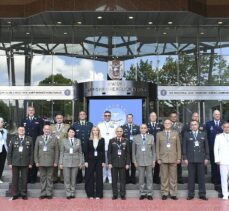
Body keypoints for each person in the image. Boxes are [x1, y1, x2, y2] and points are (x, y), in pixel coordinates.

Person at [183, 120, 209, 200]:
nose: (194, 126)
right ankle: (190, 194)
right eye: (192, 125)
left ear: (198, 125)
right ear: (190, 126)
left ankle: (202, 194)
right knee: (191, 178)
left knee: (201, 178)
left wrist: (207, 158)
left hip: (201, 159)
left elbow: (206, 147)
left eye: (195, 124)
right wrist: (185, 158)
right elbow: (184, 147)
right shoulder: (187, 134)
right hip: (190, 159)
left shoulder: (203, 134)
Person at [156, 119, 181, 200]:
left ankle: (173, 193)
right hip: (163, 159)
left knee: (173, 177)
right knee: (164, 177)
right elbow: (157, 147)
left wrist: (179, 158)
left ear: (171, 124)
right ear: (163, 124)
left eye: (168, 123)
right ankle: (164, 193)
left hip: (173, 158)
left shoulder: (175, 133)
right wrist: (158, 158)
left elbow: (178, 147)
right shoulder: (159, 134)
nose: (167, 124)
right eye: (165, 123)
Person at [7, 127, 33, 200]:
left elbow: (31, 152)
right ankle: (15, 194)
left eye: (23, 130)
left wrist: (31, 163)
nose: (21, 131)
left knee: (24, 179)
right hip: (15, 162)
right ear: (17, 131)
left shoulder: (29, 139)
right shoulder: (13, 139)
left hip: (25, 162)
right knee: (15, 179)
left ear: (25, 131)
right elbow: (9, 152)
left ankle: (23, 193)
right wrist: (9, 162)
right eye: (20, 130)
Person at [34, 125, 59, 199]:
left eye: (48, 129)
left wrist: (56, 161)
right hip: (41, 161)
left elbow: (57, 151)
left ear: (50, 130)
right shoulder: (39, 138)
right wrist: (36, 161)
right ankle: (43, 192)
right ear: (43, 130)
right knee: (42, 177)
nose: (47, 130)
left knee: (50, 178)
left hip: (51, 162)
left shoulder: (54, 138)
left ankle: (49, 193)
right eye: (45, 129)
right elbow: (36, 151)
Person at [21, 106, 44, 183]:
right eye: (29, 110)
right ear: (27, 111)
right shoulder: (24, 120)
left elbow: (41, 132)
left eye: (32, 110)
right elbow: (21, 131)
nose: (31, 111)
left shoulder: (39, 120)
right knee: (26, 160)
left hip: (35, 143)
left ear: (34, 111)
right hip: (25, 143)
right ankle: (26, 177)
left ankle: (33, 177)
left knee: (34, 161)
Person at [132, 124, 155, 200]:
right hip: (140, 161)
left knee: (149, 178)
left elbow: (153, 150)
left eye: (144, 128)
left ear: (147, 129)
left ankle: (149, 193)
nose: (143, 129)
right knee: (141, 178)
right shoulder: (135, 138)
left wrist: (154, 160)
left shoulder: (151, 137)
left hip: (149, 161)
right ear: (140, 129)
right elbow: (133, 151)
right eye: (142, 128)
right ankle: (142, 193)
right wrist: (134, 161)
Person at [59, 128, 84, 199]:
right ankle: (68, 193)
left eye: (73, 132)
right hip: (66, 162)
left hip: (75, 162)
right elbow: (61, 152)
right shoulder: (64, 141)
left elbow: (80, 152)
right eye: (70, 132)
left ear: (74, 133)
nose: (71, 133)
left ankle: (72, 192)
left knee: (73, 179)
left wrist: (81, 162)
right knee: (67, 179)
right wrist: (60, 163)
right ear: (68, 133)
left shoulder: (78, 141)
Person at [108, 127, 130, 200]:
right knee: (114, 180)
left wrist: (127, 163)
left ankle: (122, 194)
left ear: (122, 132)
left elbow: (128, 153)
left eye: (120, 131)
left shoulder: (126, 140)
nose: (119, 132)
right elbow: (109, 153)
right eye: (118, 131)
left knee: (122, 180)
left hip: (123, 163)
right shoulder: (111, 141)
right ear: (116, 132)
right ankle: (115, 194)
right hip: (113, 163)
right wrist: (109, 163)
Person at [72, 111, 93, 183]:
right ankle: (79, 178)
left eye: (84, 114)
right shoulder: (74, 124)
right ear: (78, 116)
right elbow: (72, 135)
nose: (82, 115)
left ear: (86, 116)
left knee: (88, 162)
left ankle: (88, 177)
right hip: (78, 147)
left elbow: (92, 135)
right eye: (80, 114)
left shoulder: (90, 124)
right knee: (78, 162)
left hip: (88, 147)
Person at [85, 126, 105, 199]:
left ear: (98, 131)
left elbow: (102, 151)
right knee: (90, 177)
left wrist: (103, 161)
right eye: (94, 130)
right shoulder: (88, 139)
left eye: (96, 130)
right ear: (92, 131)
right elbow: (86, 151)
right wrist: (86, 161)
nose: (95, 131)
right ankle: (90, 194)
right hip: (90, 160)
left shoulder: (102, 139)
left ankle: (98, 195)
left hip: (99, 160)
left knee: (99, 177)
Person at [98, 111, 118, 183]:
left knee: (110, 164)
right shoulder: (99, 125)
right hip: (102, 148)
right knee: (103, 164)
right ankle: (103, 177)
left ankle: (110, 178)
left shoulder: (115, 125)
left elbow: (116, 136)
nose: (107, 117)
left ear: (111, 116)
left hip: (112, 148)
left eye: (108, 115)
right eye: (105, 115)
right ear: (103, 116)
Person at [206, 109, 223, 194]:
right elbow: (207, 137)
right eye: (216, 114)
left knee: (222, 166)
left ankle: (221, 181)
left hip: (223, 151)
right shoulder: (209, 124)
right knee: (213, 165)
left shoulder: (224, 124)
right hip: (212, 149)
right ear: (213, 115)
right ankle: (214, 181)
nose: (217, 115)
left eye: (218, 114)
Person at [51, 113, 69, 183]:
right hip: (54, 147)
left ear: (63, 119)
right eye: (58, 118)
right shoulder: (51, 126)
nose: (59, 119)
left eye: (60, 118)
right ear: (56, 119)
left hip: (63, 147)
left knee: (62, 162)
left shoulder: (67, 126)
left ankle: (62, 178)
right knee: (54, 162)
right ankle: (54, 178)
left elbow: (68, 136)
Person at [121, 114, 140, 184]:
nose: (129, 119)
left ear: (132, 118)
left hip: (134, 148)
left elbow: (138, 138)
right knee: (126, 163)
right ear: (126, 119)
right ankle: (126, 178)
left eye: (131, 118)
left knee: (133, 163)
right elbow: (121, 138)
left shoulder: (137, 127)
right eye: (128, 118)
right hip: (126, 148)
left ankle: (133, 178)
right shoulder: (123, 127)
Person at [147, 112, 163, 184]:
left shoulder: (160, 126)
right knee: (149, 164)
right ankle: (149, 179)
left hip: (158, 147)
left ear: (156, 117)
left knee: (157, 164)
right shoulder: (146, 126)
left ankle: (156, 179)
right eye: (151, 116)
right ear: (149, 117)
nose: (153, 117)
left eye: (154, 116)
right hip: (148, 147)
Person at [214, 122, 229, 200]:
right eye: (225, 127)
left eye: (228, 127)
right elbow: (216, 148)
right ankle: (225, 194)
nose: (227, 128)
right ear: (222, 128)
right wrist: (217, 159)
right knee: (223, 178)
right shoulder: (218, 136)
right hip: (223, 161)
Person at [169, 111, 184, 184]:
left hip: (178, 147)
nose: (173, 118)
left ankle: (179, 178)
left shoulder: (181, 125)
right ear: (170, 117)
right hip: (169, 147)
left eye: (175, 116)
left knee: (178, 163)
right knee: (170, 163)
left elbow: (183, 136)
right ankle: (171, 179)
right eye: (172, 116)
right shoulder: (167, 124)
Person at [0, 117, 8, 183]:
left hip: (4, 149)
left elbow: (6, 140)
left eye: (2, 122)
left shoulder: (5, 131)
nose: (1, 123)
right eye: (0, 122)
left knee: (2, 164)